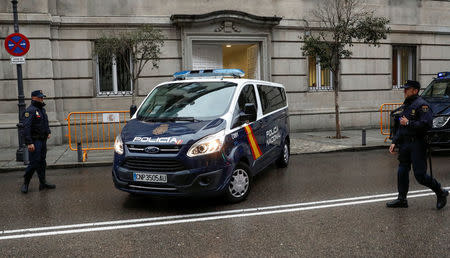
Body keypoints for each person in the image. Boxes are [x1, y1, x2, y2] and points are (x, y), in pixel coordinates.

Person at [387, 80, 448, 209]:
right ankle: (402, 199)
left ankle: (440, 192)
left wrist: (409, 123)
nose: (404, 91)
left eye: (407, 89)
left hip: (418, 144)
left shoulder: (422, 105)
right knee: (402, 171)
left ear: (415, 91)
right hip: (405, 144)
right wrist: (394, 141)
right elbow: (401, 126)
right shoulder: (407, 104)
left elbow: (427, 125)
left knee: (420, 175)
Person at [20, 90, 56, 193]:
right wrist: (29, 142)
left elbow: (45, 122)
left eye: (42, 97)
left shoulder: (41, 110)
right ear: (34, 98)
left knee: (42, 161)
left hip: (42, 139)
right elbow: (26, 128)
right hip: (35, 141)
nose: (42, 99)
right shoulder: (30, 111)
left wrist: (48, 131)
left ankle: (43, 182)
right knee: (34, 163)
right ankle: (26, 183)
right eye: (40, 97)